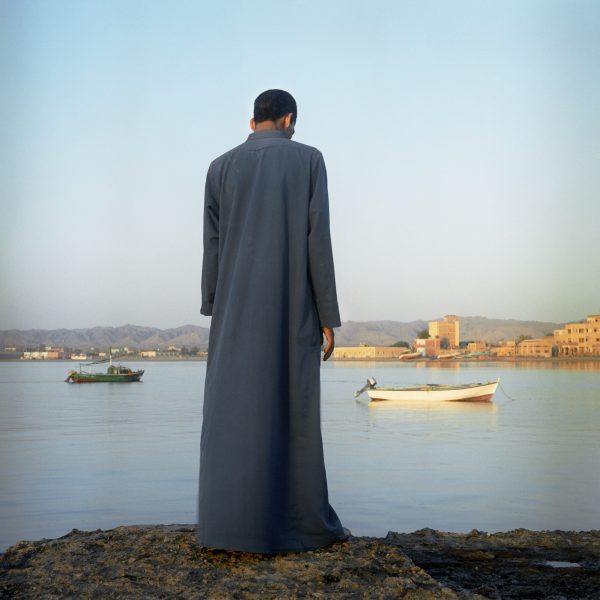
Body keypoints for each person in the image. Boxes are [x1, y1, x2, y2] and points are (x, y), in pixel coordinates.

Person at [196, 89, 349, 554]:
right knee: (293, 410)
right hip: (290, 303)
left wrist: (214, 305)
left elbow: (213, 244)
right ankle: (301, 526)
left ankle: (224, 527)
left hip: (234, 306)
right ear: (288, 120)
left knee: (233, 413)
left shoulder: (220, 167)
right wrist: (327, 314)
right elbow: (316, 239)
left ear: (251, 122)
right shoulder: (309, 160)